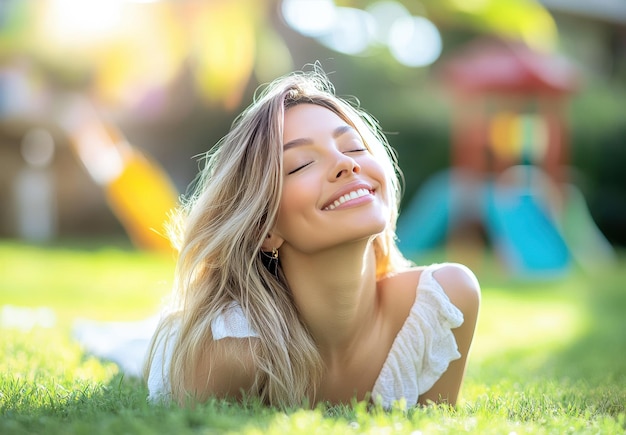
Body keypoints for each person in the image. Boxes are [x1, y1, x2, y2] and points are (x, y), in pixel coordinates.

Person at [144, 69, 480, 409]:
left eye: (354, 146)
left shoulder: (443, 304)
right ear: (265, 229)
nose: (346, 164)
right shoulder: (230, 354)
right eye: (302, 164)